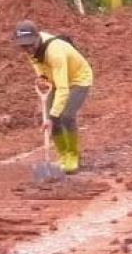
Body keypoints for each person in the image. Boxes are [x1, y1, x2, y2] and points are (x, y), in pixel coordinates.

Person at [14, 21, 93, 175]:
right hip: (56, 80)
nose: (28, 49)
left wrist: (51, 116)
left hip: (78, 79)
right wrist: (42, 77)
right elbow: (38, 65)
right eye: (24, 46)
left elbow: (63, 88)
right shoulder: (31, 50)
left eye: (30, 45)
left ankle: (73, 156)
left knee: (66, 116)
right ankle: (63, 155)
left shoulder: (54, 52)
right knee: (54, 119)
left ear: (37, 38)